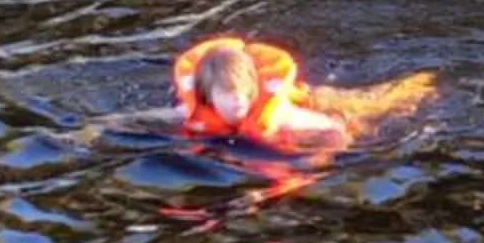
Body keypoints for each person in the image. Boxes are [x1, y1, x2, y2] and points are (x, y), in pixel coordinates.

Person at [171, 34, 436, 152]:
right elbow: (156, 117)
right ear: (207, 97)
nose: (238, 100)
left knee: (385, 103)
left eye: (245, 92)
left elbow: (335, 131)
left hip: (319, 104)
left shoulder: (286, 118)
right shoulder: (192, 112)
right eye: (227, 94)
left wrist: (319, 159)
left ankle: (423, 81)